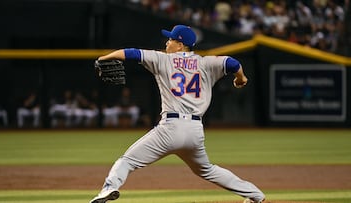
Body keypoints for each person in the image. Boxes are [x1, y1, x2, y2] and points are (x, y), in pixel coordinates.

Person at [89, 25, 265, 203]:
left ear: (180, 45)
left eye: (171, 39)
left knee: (127, 161)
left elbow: (131, 53)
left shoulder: (162, 60)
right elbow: (233, 63)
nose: (167, 42)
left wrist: (104, 57)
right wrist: (240, 78)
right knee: (207, 170)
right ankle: (256, 195)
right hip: (195, 131)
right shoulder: (205, 63)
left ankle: (109, 188)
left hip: (170, 129)